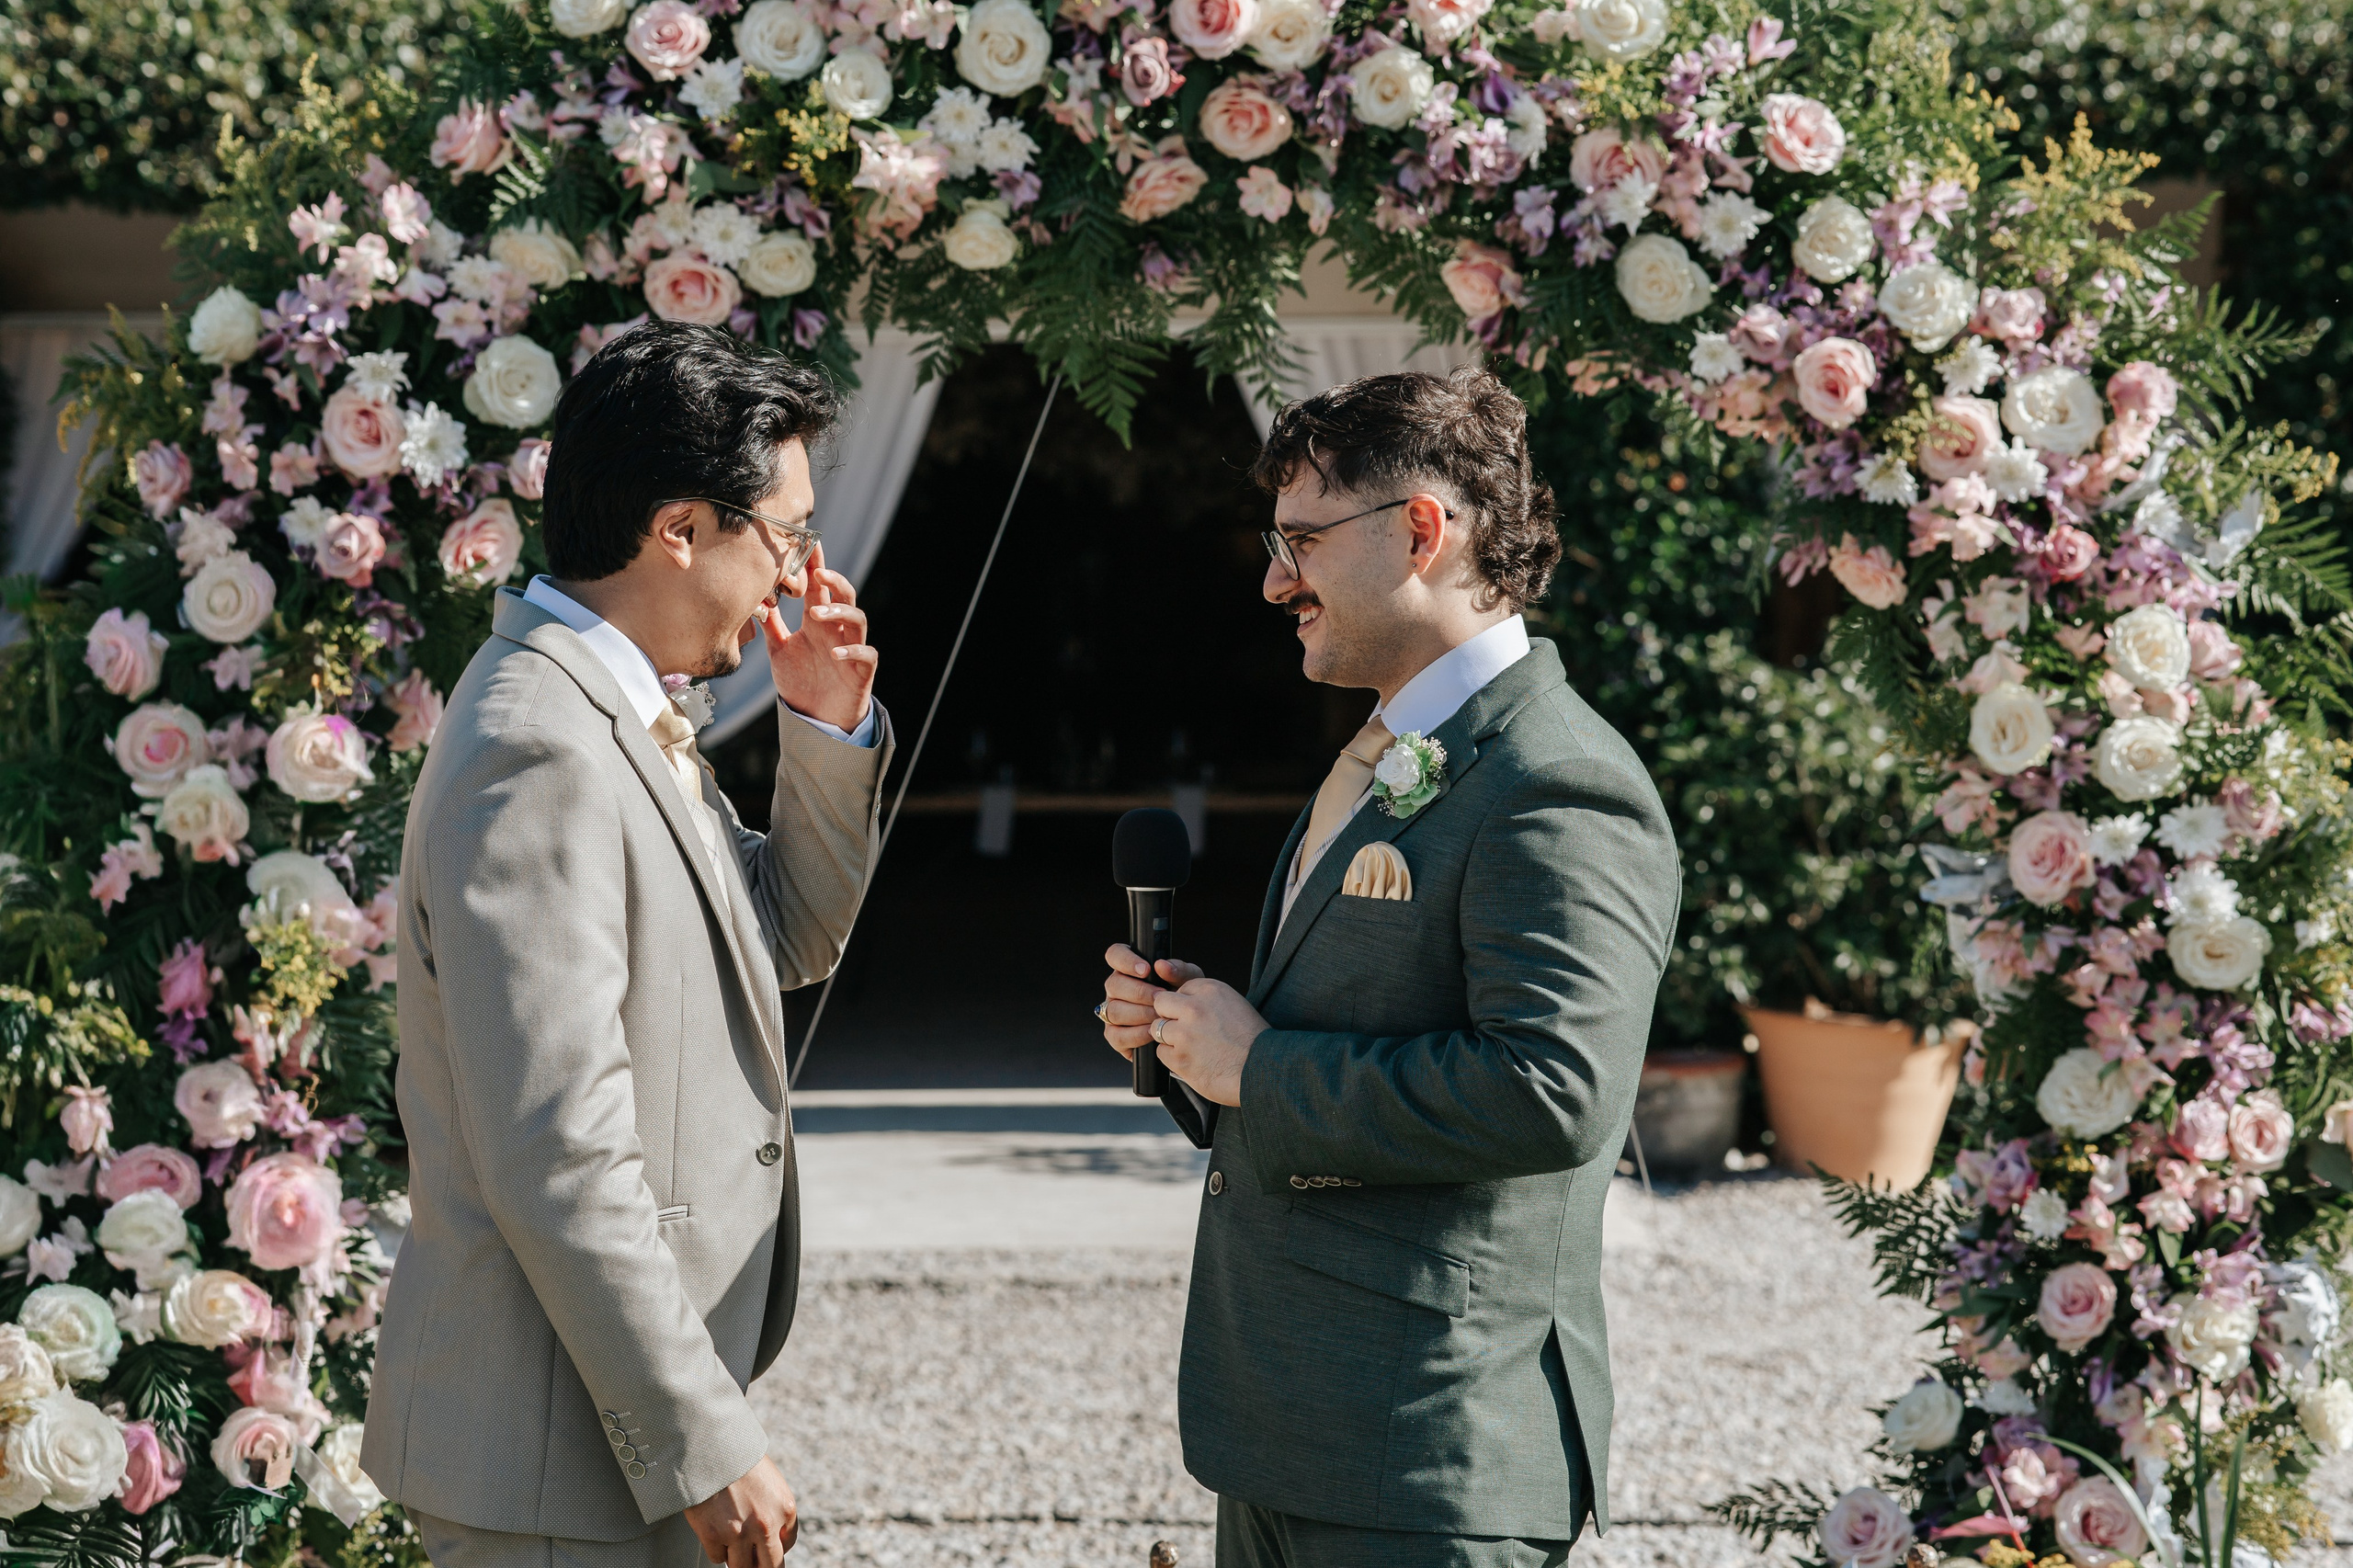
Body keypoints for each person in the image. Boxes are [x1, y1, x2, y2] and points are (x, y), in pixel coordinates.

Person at [1098, 368, 1679, 1567]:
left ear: (1423, 530)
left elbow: (1554, 1091)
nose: (1273, 579)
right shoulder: (1395, 748)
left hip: (1426, 1451)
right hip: (1292, 1427)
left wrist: (1264, 1068)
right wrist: (1197, 1039)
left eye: (1302, 539)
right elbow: (1343, 1024)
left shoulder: (1555, 777)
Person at [363, 320, 891, 1568]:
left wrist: (824, 729)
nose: (802, 569)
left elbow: (785, 941)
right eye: (787, 532)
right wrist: (701, 1437)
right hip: (558, 1448)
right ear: (679, 529)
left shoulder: (610, 696)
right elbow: (558, 1144)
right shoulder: (539, 742)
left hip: (594, 1422)